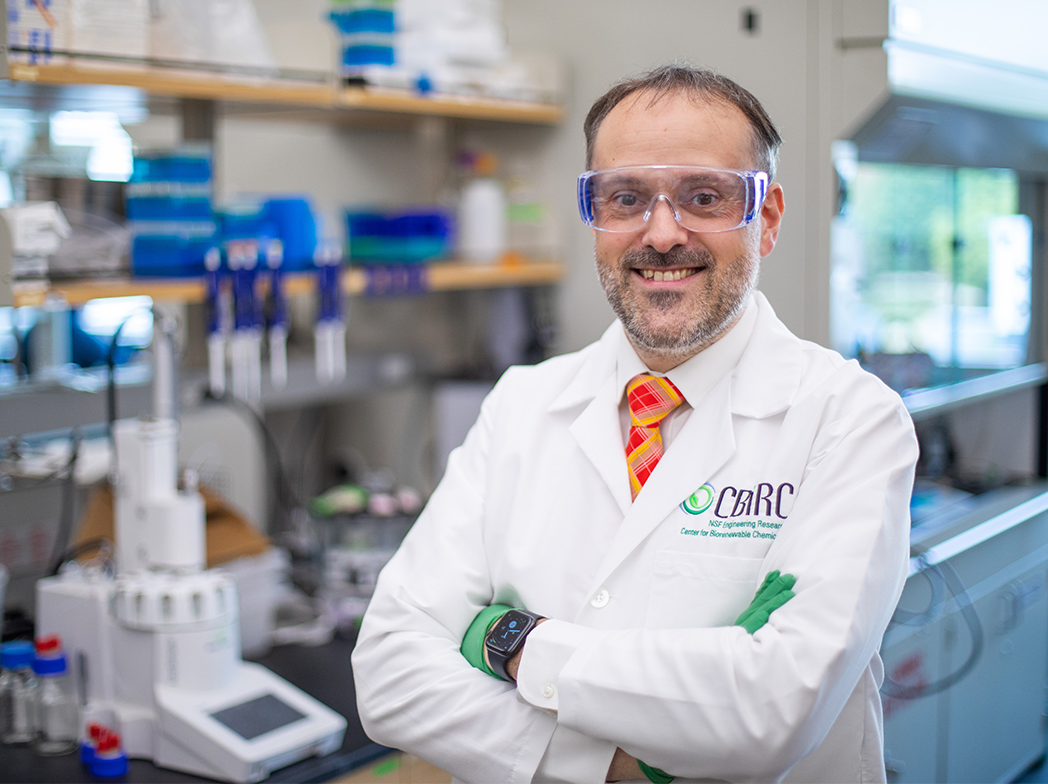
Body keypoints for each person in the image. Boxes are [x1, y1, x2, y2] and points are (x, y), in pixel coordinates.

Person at [352, 64, 918, 783]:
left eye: (704, 197)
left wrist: (511, 642)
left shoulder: (849, 419)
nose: (660, 234)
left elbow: (776, 709)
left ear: (766, 219)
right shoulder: (523, 405)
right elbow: (389, 672)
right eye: (625, 198)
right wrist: (610, 766)